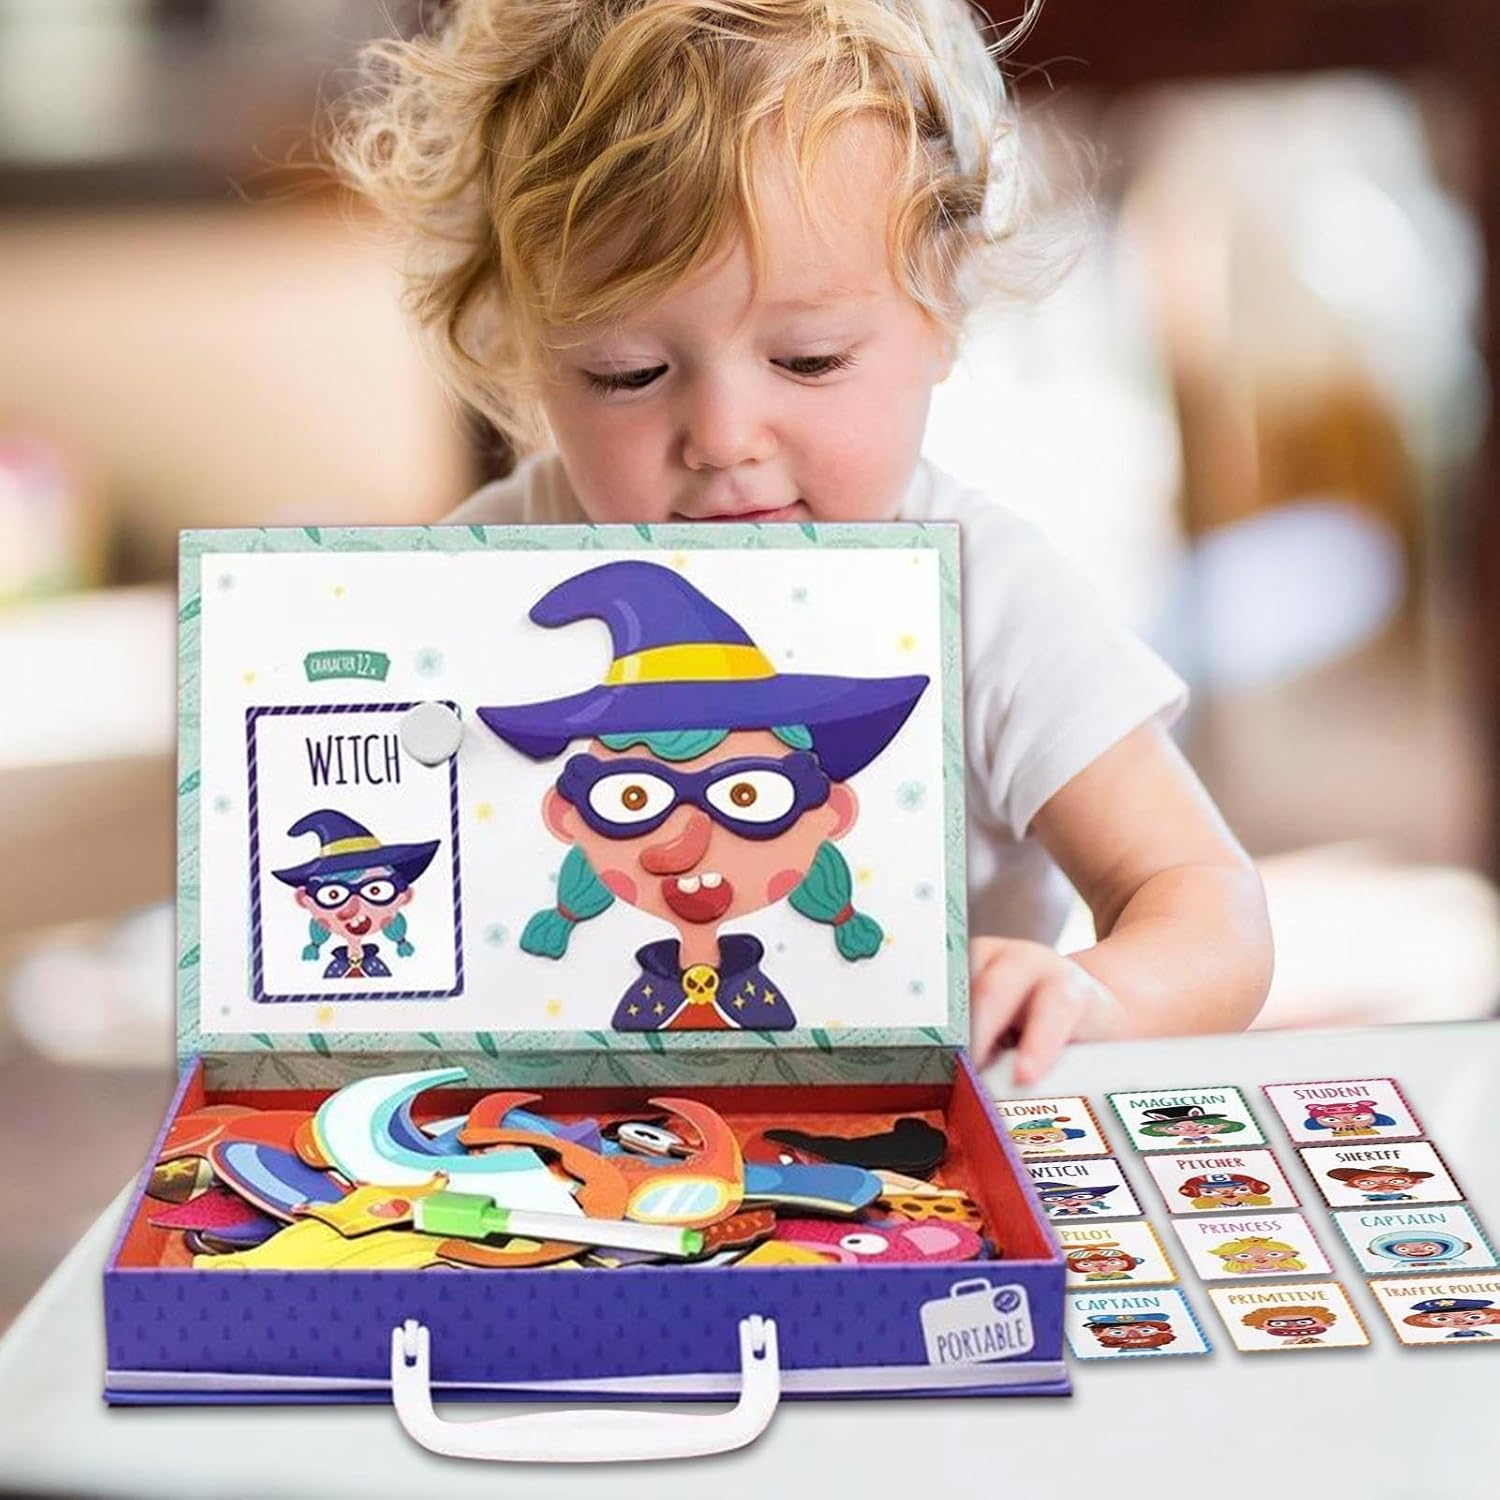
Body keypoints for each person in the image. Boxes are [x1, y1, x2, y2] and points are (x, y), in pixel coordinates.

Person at [327, 0, 1272, 1079]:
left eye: (810, 360)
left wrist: (1099, 996)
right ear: (529, 347)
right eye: (628, 374)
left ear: (944, 309)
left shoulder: (991, 596)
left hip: (912, 1143)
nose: (725, 440)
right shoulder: (476, 576)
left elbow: (1208, 904)